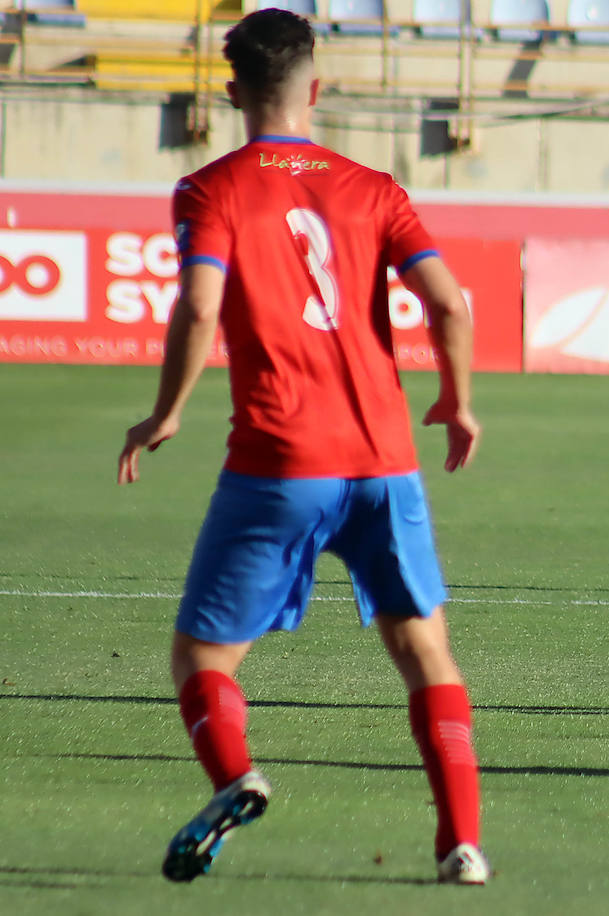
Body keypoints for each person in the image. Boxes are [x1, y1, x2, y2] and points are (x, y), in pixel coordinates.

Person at [116, 8, 489, 885]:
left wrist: (166, 412)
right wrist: (458, 401)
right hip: (385, 461)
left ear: (232, 92)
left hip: (279, 461)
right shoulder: (374, 188)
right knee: (425, 653)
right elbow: (449, 302)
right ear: (314, 90)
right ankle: (462, 846)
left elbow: (200, 306)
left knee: (202, 658)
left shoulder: (209, 190)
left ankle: (235, 776)